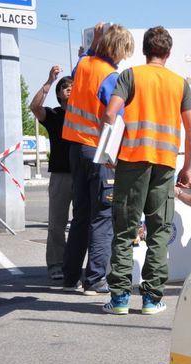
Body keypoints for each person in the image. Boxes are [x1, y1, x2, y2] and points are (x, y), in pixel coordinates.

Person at [101, 26, 191, 315]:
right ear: (168, 54)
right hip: (165, 163)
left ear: (144, 51)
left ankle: (119, 298)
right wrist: (187, 168)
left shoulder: (131, 76)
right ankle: (152, 299)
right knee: (159, 230)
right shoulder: (179, 84)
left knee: (124, 228)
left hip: (132, 160)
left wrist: (109, 150)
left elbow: (110, 112)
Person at [61, 23, 134, 296]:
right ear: (117, 49)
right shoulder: (111, 76)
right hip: (98, 150)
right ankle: (94, 280)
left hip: (76, 149)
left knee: (79, 214)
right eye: (125, 50)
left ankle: (70, 276)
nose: (125, 56)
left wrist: (96, 41)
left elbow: (81, 64)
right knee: (102, 216)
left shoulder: (83, 65)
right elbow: (115, 117)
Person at [29, 66, 73, 281]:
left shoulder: (86, 113)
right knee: (57, 223)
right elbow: (35, 107)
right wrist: (48, 82)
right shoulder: (54, 115)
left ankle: (82, 266)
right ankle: (55, 264)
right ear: (58, 93)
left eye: (73, 86)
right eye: (65, 87)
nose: (69, 89)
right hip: (61, 175)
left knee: (89, 223)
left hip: (85, 173)